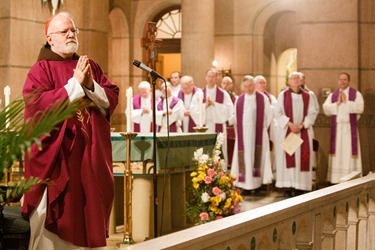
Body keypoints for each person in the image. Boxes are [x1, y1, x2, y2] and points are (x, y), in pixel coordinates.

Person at [22, 12, 119, 249]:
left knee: (87, 214)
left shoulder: (89, 66)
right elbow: (37, 106)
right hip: (59, 161)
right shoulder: (41, 69)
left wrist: (90, 85)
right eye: (64, 31)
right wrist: (74, 85)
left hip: (88, 157)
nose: (70, 34)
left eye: (73, 30)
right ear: (50, 38)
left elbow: (112, 97)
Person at [274, 72, 318, 196]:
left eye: (298, 78)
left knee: (301, 159)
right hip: (288, 131)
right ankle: (288, 186)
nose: (296, 80)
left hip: (303, 132)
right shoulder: (283, 95)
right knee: (288, 158)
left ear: (301, 81)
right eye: (293, 78)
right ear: (289, 81)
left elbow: (313, 112)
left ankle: (300, 186)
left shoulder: (308, 96)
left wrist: (302, 125)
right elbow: (278, 112)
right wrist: (290, 124)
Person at [231, 75, 273, 193]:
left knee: (257, 157)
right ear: (242, 87)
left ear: (254, 85)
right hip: (243, 135)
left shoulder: (262, 98)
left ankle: (258, 184)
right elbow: (235, 118)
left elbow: (268, 115)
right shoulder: (239, 100)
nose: (248, 88)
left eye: (250, 86)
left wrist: (262, 129)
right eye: (246, 86)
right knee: (245, 158)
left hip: (258, 133)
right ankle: (244, 185)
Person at [322, 72, 364, 184]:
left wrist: (347, 102)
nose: (342, 81)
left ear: (349, 81)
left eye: (345, 79)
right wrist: (337, 103)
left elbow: (360, 108)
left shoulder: (356, 94)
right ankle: (336, 179)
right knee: (338, 154)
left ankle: (351, 179)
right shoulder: (333, 95)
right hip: (338, 130)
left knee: (349, 153)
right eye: (340, 79)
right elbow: (326, 109)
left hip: (350, 130)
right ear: (338, 81)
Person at [190, 68, 234, 168]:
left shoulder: (223, 94)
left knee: (219, 151)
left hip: (218, 127)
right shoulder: (199, 93)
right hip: (204, 127)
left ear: (217, 78)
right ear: (205, 78)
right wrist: (205, 105)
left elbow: (229, 110)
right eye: (209, 76)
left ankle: (220, 176)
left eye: (213, 76)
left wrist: (215, 104)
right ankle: (203, 175)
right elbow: (193, 110)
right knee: (205, 152)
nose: (211, 79)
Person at [254, 75, 278, 175]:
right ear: (254, 85)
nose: (263, 84)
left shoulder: (271, 97)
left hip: (268, 128)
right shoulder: (250, 96)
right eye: (260, 82)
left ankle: (268, 173)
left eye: (264, 82)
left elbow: (276, 111)